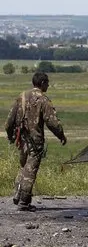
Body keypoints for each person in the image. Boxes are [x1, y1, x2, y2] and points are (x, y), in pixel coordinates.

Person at [5, 71, 67, 211]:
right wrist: (61, 135)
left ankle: (17, 195)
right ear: (43, 83)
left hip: (21, 139)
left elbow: (9, 122)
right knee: (31, 170)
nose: (49, 85)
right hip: (35, 141)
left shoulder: (21, 97)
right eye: (47, 83)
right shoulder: (43, 100)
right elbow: (52, 123)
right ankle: (24, 202)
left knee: (23, 167)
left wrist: (11, 136)